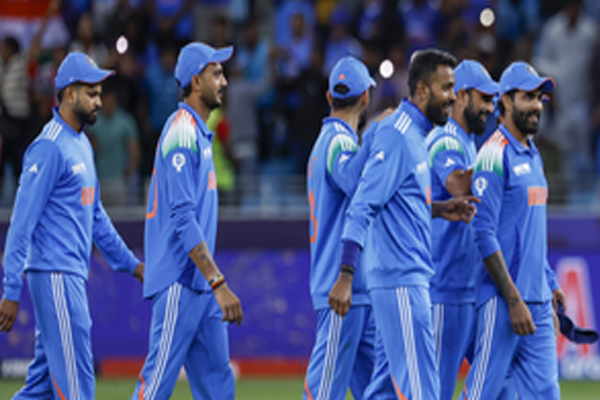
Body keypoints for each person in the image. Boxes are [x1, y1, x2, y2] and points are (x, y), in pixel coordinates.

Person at [330, 48, 478, 400]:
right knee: (422, 390)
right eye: (447, 88)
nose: (453, 97)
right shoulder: (398, 135)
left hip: (405, 279)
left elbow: (400, 202)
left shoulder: (415, 134)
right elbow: (362, 205)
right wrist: (346, 275)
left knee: (383, 389)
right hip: (401, 281)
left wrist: (439, 209)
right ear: (423, 90)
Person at [0, 51, 144, 400]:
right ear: (68, 94)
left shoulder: (80, 144)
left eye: (100, 93)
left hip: (68, 276)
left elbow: (96, 218)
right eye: (91, 93)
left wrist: (132, 265)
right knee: (78, 386)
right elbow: (21, 223)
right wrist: (10, 290)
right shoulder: (49, 148)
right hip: (56, 276)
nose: (99, 101)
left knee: (41, 390)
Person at [131, 42, 243, 400]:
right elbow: (182, 217)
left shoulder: (199, 133)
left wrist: (211, 283)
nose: (224, 81)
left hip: (200, 285)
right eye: (216, 74)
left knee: (218, 386)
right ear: (196, 81)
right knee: (155, 388)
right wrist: (218, 281)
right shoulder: (181, 133)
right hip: (181, 281)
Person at [461, 61, 563, 400]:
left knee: (546, 393)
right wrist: (514, 299)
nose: (537, 106)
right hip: (502, 301)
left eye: (539, 98)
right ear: (505, 100)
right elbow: (483, 232)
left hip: (537, 302)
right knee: (482, 393)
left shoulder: (534, 155)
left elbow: (531, 231)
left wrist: (549, 283)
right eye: (527, 97)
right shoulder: (493, 154)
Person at [304, 56, 394, 400]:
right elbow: (352, 180)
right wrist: (373, 135)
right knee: (325, 389)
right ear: (366, 97)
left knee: (378, 388)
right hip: (342, 288)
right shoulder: (339, 141)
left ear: (329, 97)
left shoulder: (327, 140)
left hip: (355, 289)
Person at [425, 59, 499, 400]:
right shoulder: (444, 138)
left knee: (500, 382)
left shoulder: (469, 144)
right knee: (436, 392)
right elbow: (459, 186)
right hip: (445, 290)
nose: (490, 108)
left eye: (493, 100)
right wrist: (501, 157)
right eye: (484, 98)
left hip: (469, 290)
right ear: (461, 96)